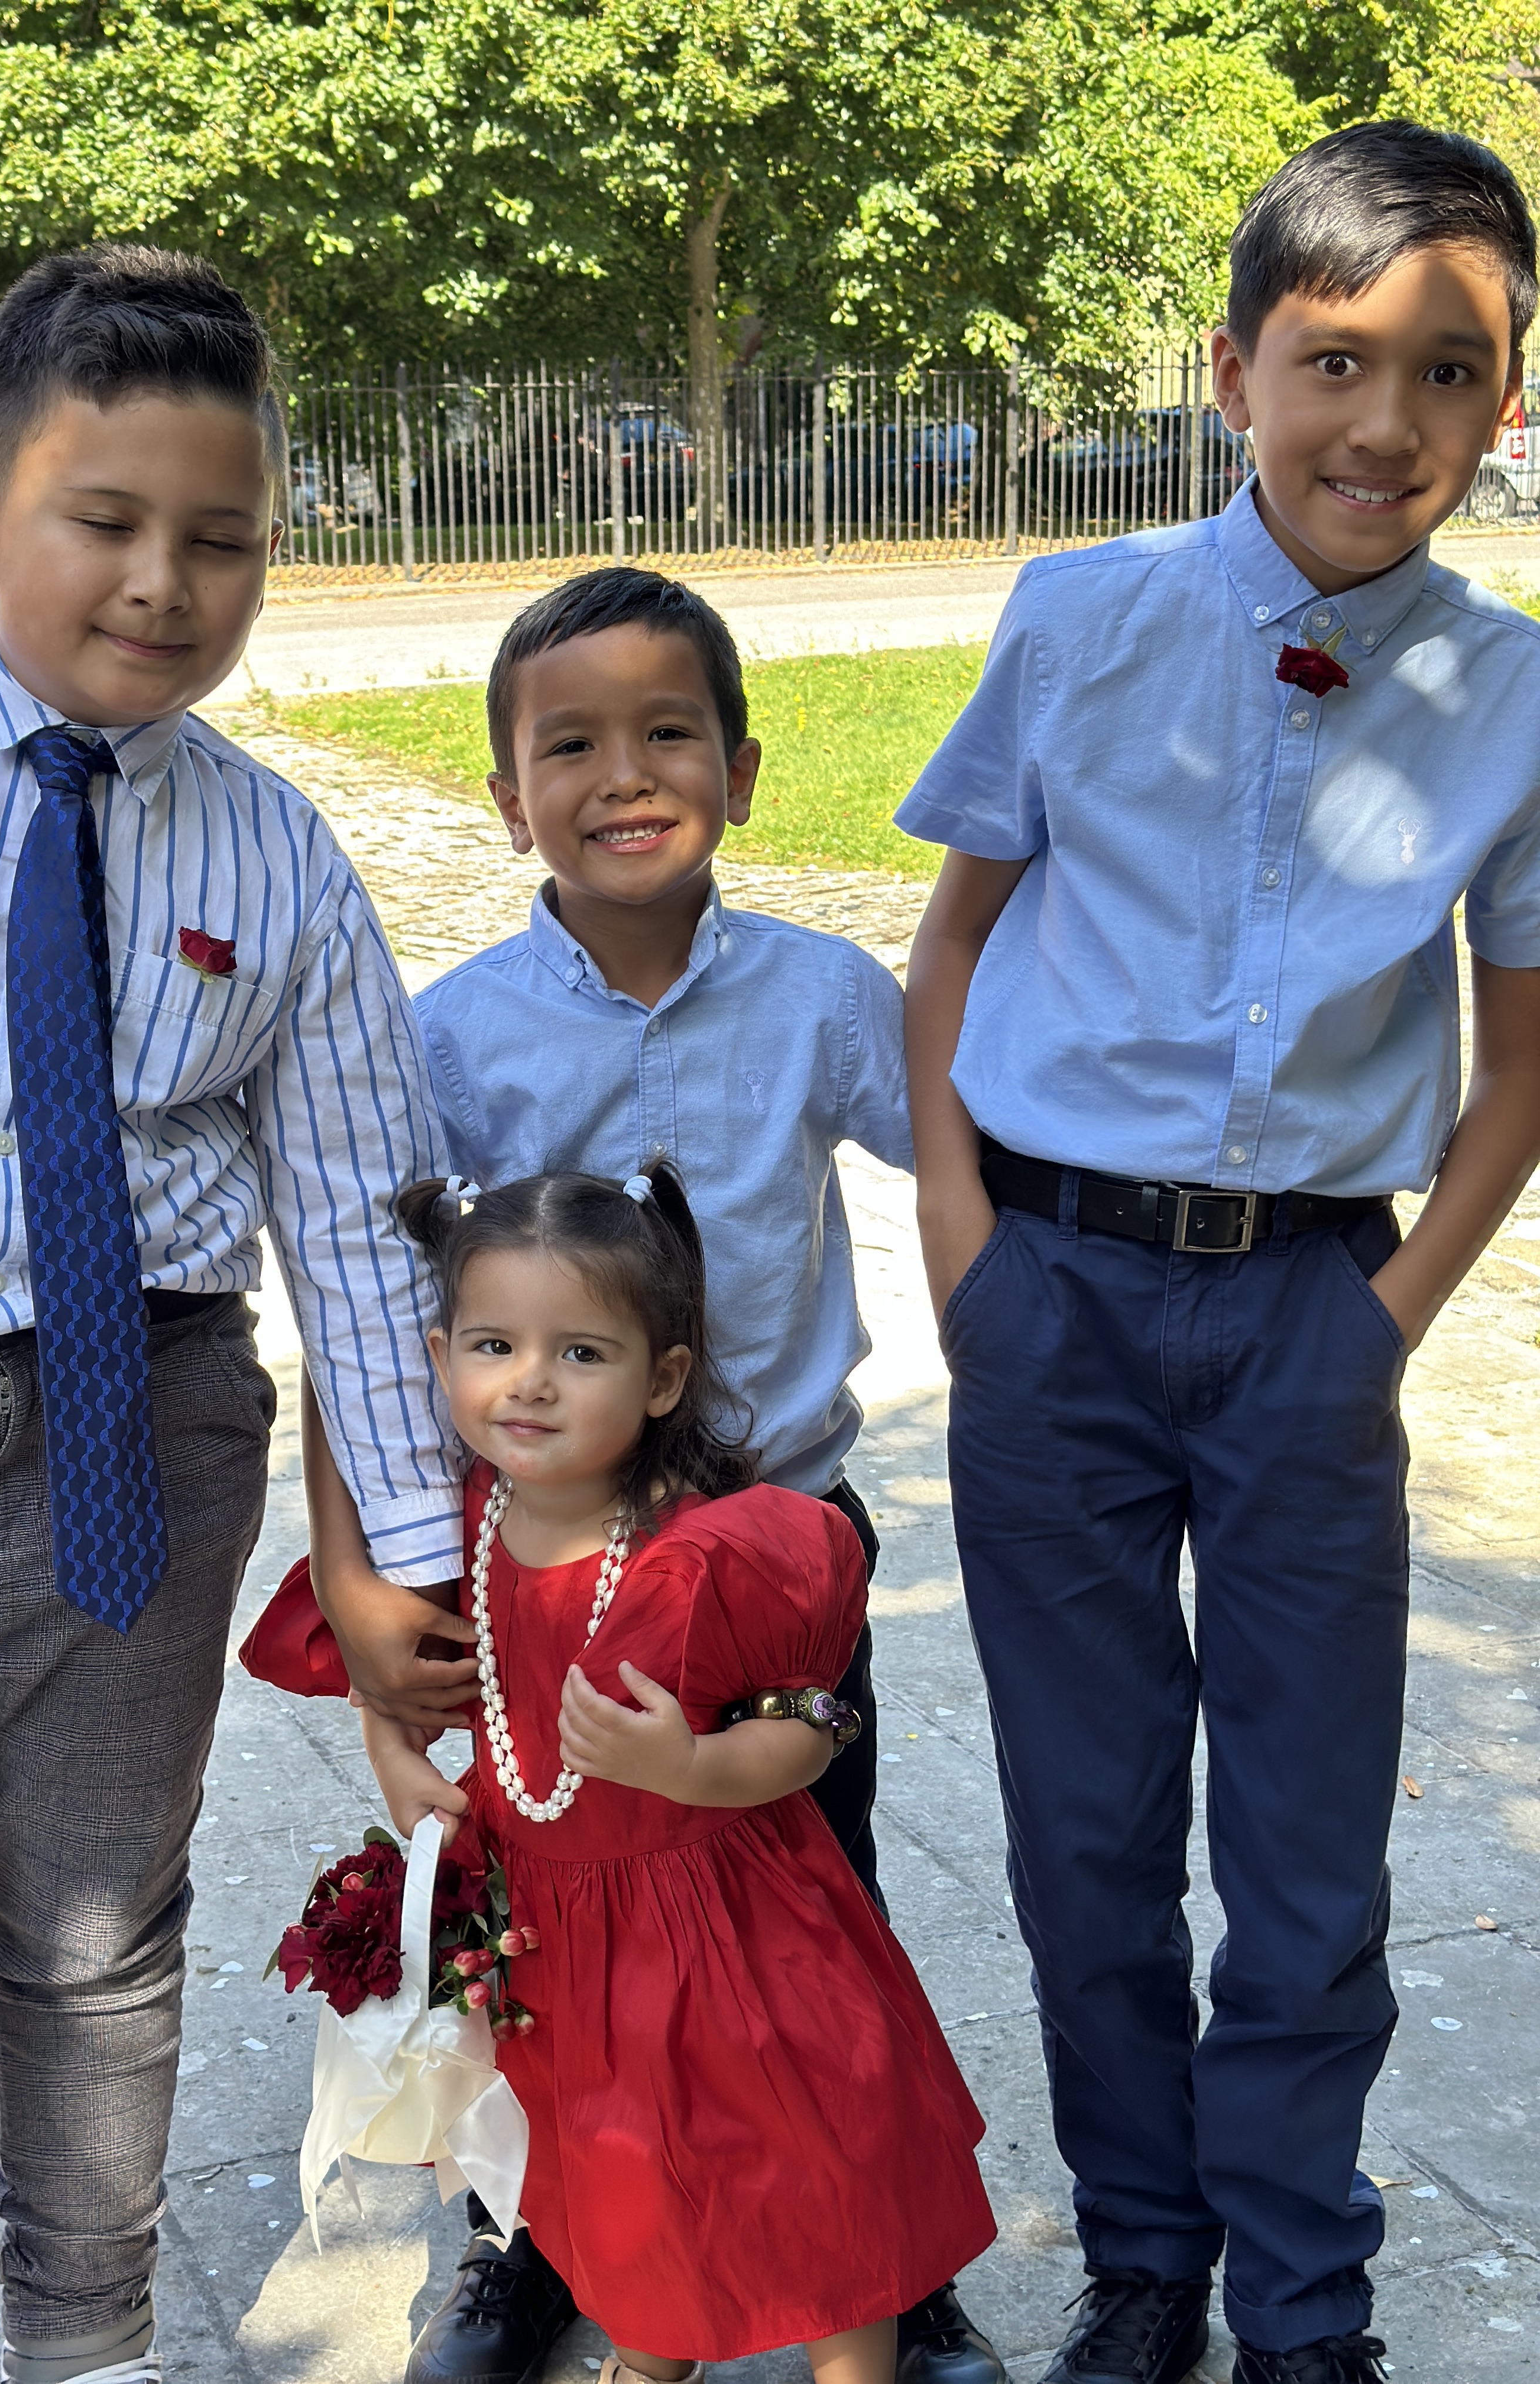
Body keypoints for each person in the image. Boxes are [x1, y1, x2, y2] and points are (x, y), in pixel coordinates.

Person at [0, 247, 462, 2384]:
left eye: (220, 538)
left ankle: (89, 2348)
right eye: (107, 520)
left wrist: (408, 1569)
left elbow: (362, 1231)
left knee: (92, 1945)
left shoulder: (284, 861)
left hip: (137, 1450)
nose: (163, 581)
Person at [899, 121, 1540, 2384]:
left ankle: (1301, 2308)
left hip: (1305, 1321)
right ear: (1231, 368)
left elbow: (1519, 1061)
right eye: (1332, 360)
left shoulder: (1509, 692)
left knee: (1305, 1863)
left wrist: (1382, 1321)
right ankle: (1146, 2262)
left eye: (1449, 371)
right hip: (1052, 1305)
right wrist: (966, 1258)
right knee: (1085, 1840)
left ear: (1509, 397)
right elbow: (948, 947)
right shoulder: (1080, 617)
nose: (1386, 422)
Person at [304, 565, 1005, 2384]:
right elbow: (369, 1316)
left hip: (771, 1556)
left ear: (745, 773)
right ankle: (535, 2247)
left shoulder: (824, 998)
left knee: (815, 1919)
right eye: (571, 747)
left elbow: (969, 1167)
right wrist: (367, 1581)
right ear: (504, 797)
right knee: (539, 1923)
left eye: (669, 733)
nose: (624, 776)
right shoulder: (454, 1042)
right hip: (543, 1560)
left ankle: (879, 2257)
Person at [359, 1165, 1000, 2384]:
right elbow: (394, 1679)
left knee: (810, 2162)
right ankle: (653, 2351)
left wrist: (691, 1764)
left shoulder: (709, 1551)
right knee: (623, 2165)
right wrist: (392, 1751)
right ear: (441, 1356)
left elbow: (815, 1720)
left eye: (582, 1353)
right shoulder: (461, 1522)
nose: (530, 1381)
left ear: (662, 1379)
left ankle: (851, 2368)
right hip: (564, 1937)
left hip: (723, 1929)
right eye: (494, 1345)